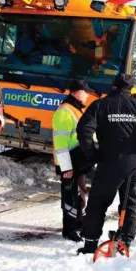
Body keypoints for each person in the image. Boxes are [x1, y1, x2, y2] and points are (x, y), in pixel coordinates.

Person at [75, 74, 136, 254]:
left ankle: (90, 244)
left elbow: (83, 130)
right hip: (135, 165)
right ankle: (125, 241)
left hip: (108, 163)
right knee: (130, 204)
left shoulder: (100, 105)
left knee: (98, 203)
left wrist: (93, 155)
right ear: (131, 88)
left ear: (113, 86)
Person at [52, 79, 92, 242]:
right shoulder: (64, 112)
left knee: (80, 194)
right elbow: (60, 143)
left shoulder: (76, 110)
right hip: (68, 162)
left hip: (78, 162)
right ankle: (68, 230)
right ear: (78, 92)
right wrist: (66, 168)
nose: (88, 95)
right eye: (86, 92)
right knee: (70, 196)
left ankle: (78, 223)